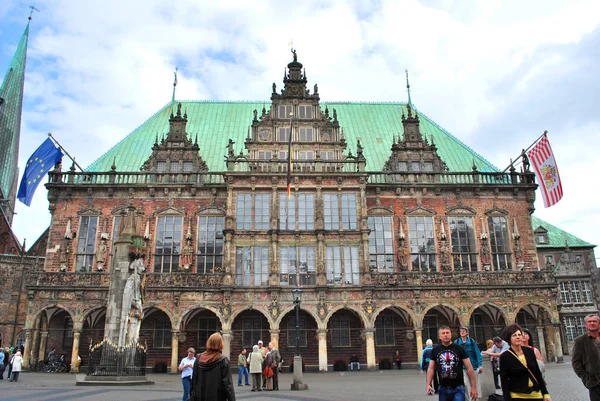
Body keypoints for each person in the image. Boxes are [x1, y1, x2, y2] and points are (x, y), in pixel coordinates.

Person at [499, 324, 551, 401]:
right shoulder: (505, 356)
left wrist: (546, 394)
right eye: (514, 335)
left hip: (536, 394)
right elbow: (504, 380)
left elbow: (538, 374)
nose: (518, 337)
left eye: (519, 334)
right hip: (517, 396)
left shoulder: (529, 351)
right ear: (509, 338)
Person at [426, 325, 478, 401]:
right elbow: (431, 368)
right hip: (443, 387)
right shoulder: (435, 350)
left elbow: (469, 368)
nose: (446, 335)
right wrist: (428, 384)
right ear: (439, 336)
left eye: (447, 333)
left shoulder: (459, 349)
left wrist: (473, 387)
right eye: (443, 333)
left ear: (451, 335)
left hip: (458, 387)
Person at [190, 333, 235, 401]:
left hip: (200, 396)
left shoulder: (198, 358)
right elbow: (228, 385)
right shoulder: (223, 360)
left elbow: (194, 380)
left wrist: (193, 395)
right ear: (221, 344)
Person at [572, 314, 600, 401]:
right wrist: (586, 378)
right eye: (589, 321)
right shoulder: (580, 341)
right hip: (595, 382)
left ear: (599, 324)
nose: (592, 323)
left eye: (594, 321)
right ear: (586, 325)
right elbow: (576, 363)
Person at [454, 326, 483, 400]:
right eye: (461, 331)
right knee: (465, 384)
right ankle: (468, 399)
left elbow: (478, 353)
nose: (462, 332)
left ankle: (476, 399)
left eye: (463, 331)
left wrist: (480, 365)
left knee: (475, 384)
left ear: (467, 333)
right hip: (462, 367)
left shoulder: (472, 342)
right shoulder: (456, 342)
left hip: (473, 366)